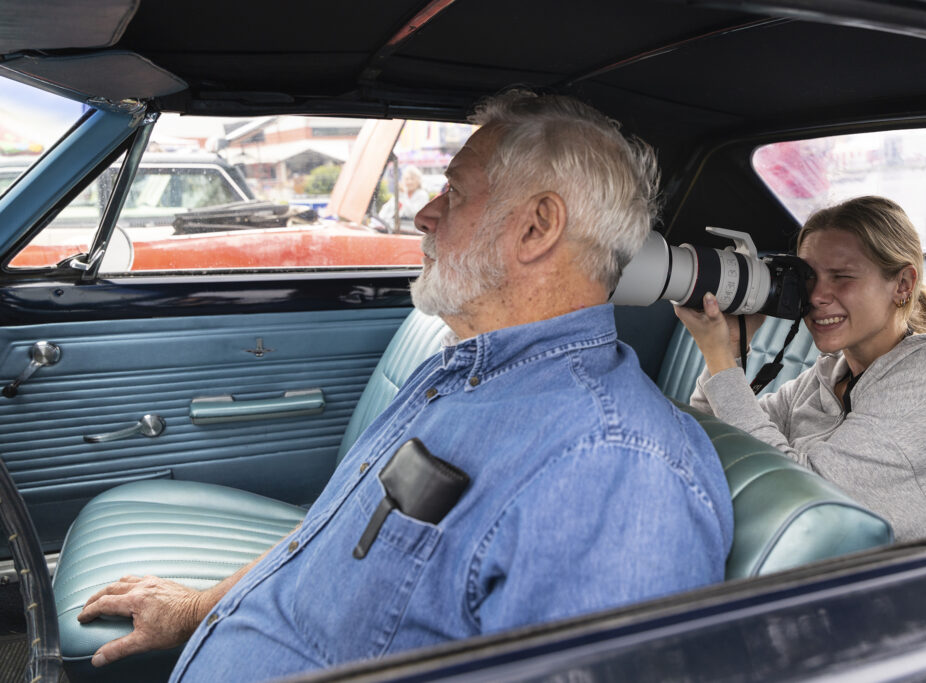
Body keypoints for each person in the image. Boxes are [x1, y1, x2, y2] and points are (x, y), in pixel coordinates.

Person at [77, 90, 734, 681]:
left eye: (454, 192)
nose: (424, 213)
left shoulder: (612, 468)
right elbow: (328, 544)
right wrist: (196, 610)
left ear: (537, 226)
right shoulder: (462, 371)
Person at [678, 195, 926, 541]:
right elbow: (713, 439)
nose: (816, 296)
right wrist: (735, 347)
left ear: (902, 284)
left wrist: (720, 358)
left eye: (842, 276)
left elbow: (802, 497)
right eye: (808, 278)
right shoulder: (830, 375)